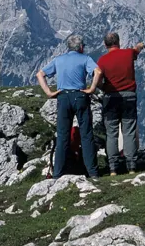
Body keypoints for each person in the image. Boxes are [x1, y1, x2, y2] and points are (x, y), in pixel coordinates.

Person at [36, 34, 103, 179]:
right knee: (86, 135)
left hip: (63, 97)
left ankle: (57, 174)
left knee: (62, 137)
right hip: (80, 96)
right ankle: (93, 173)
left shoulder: (59, 59)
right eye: (83, 46)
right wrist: (91, 89)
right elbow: (98, 72)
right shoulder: (85, 58)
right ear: (81, 47)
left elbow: (40, 74)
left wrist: (49, 92)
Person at [96, 32, 145, 176]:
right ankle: (131, 166)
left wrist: (104, 88)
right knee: (128, 131)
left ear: (105, 45)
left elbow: (97, 80)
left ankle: (113, 168)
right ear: (119, 42)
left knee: (111, 133)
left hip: (110, 98)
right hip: (129, 97)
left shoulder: (102, 60)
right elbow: (136, 50)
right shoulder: (128, 53)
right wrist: (140, 45)